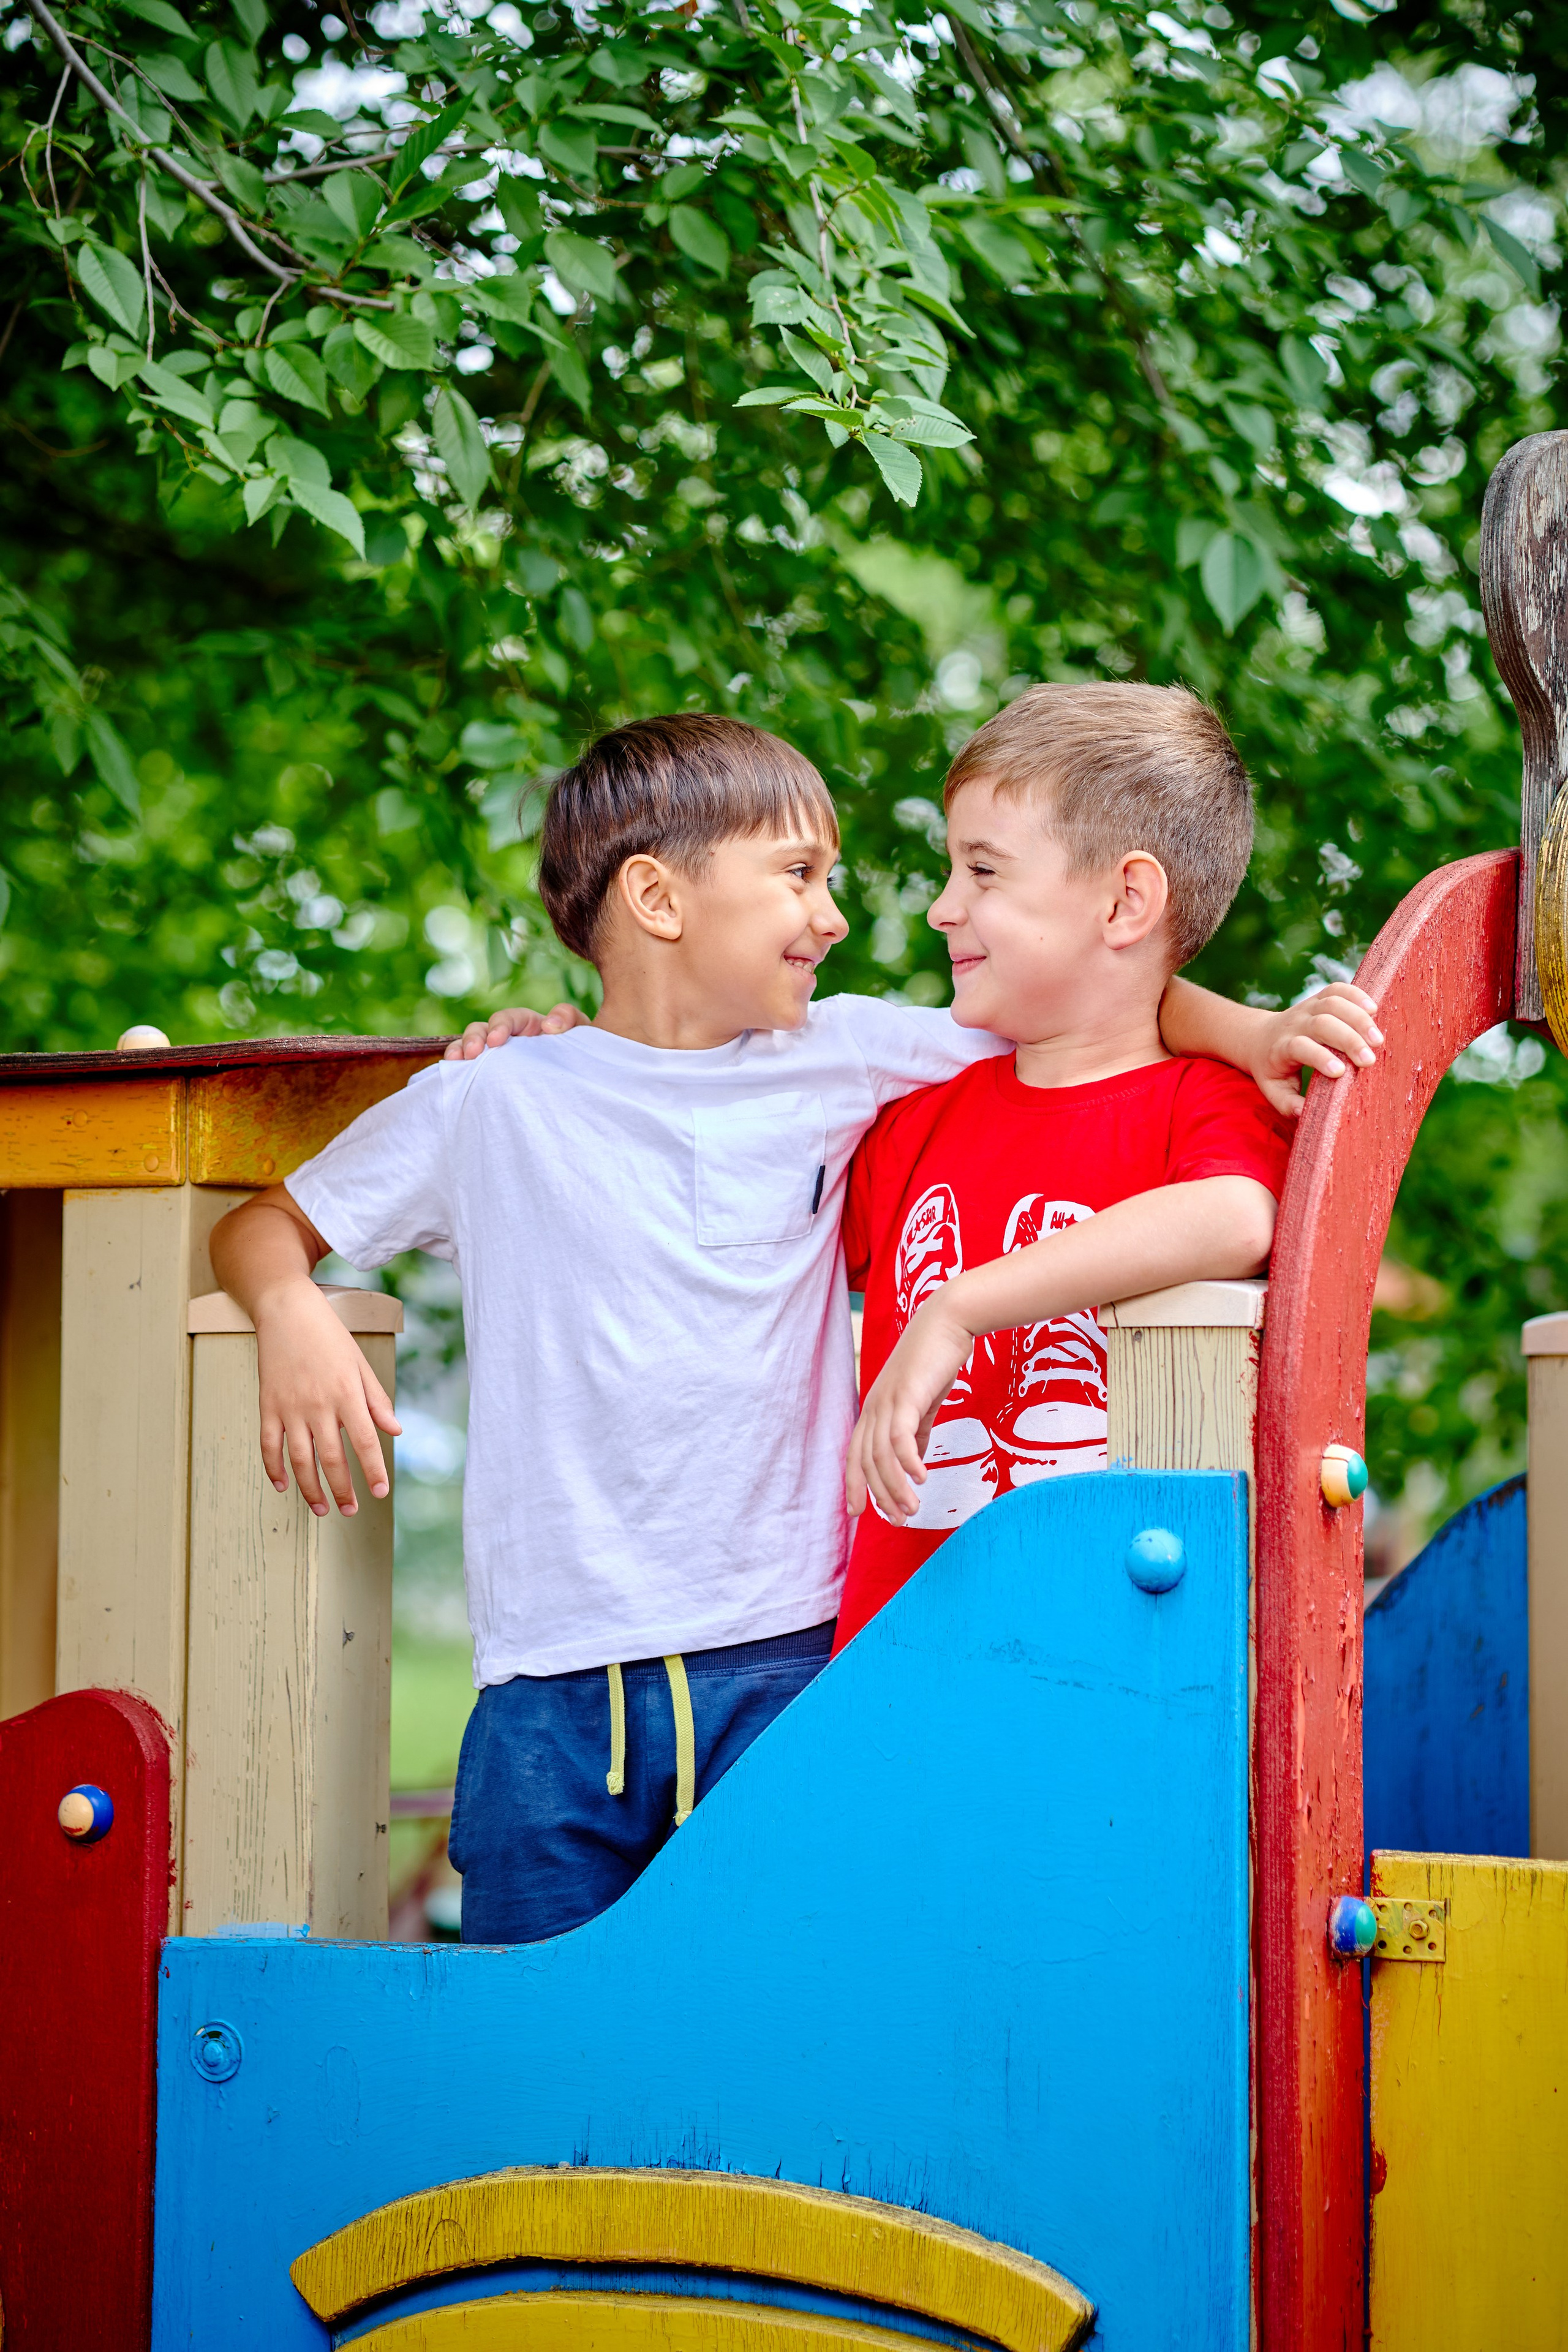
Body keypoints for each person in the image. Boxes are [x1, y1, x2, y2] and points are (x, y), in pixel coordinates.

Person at [211, 711, 1378, 1945]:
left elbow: (1107, 997)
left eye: (845, 878)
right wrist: (289, 1306)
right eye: (798, 877)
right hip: (549, 1682)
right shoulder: (495, 1099)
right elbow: (261, 1228)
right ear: (658, 900)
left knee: (784, 2022)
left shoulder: (849, 1053)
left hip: (789, 1658)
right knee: (532, 2039)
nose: (842, 916)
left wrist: (1251, 1033)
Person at [831, 681, 1309, 1651]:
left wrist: (960, 1306)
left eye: (984, 873)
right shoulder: (908, 1122)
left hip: (1104, 1676)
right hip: (889, 1681)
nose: (941, 908)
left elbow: (1234, 1217)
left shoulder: (1201, 1102)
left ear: (1126, 901)